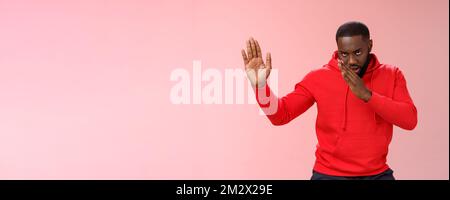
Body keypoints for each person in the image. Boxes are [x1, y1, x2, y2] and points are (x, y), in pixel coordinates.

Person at [241, 21, 418, 180]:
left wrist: (367, 95)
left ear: (370, 45)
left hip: (377, 174)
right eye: (344, 54)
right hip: (329, 174)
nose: (351, 61)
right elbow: (280, 115)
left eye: (358, 52)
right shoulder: (318, 78)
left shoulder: (392, 74)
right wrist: (260, 87)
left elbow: (410, 120)